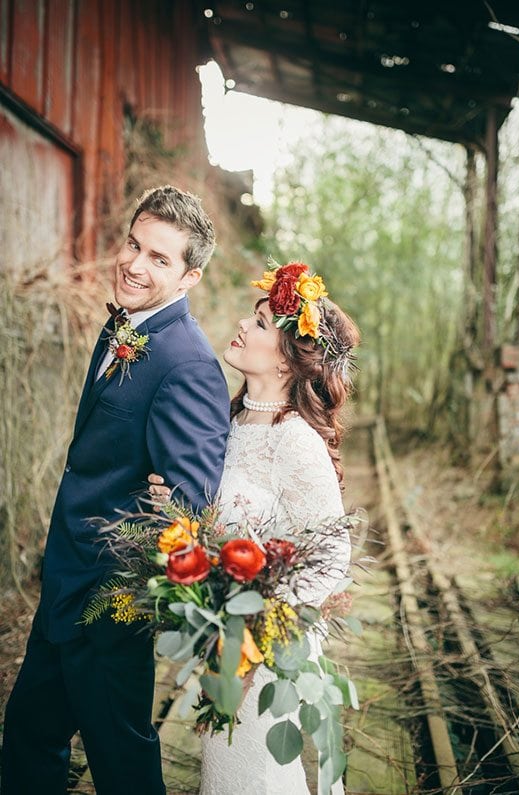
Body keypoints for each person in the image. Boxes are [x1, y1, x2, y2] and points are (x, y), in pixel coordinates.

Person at [1, 186, 231, 795]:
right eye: (134, 244)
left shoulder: (189, 364)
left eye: (160, 258)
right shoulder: (121, 329)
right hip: (66, 580)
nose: (135, 263)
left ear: (190, 277)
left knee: (122, 761)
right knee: (28, 733)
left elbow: (188, 509)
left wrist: (129, 590)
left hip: (109, 604)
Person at [149, 259, 360, 794]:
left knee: (254, 776)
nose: (244, 324)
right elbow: (218, 516)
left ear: (288, 362)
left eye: (261, 323)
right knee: (222, 771)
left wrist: (260, 636)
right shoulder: (233, 421)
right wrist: (174, 503)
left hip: (265, 650)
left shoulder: (296, 442)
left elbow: (331, 557)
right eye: (253, 315)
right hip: (224, 638)